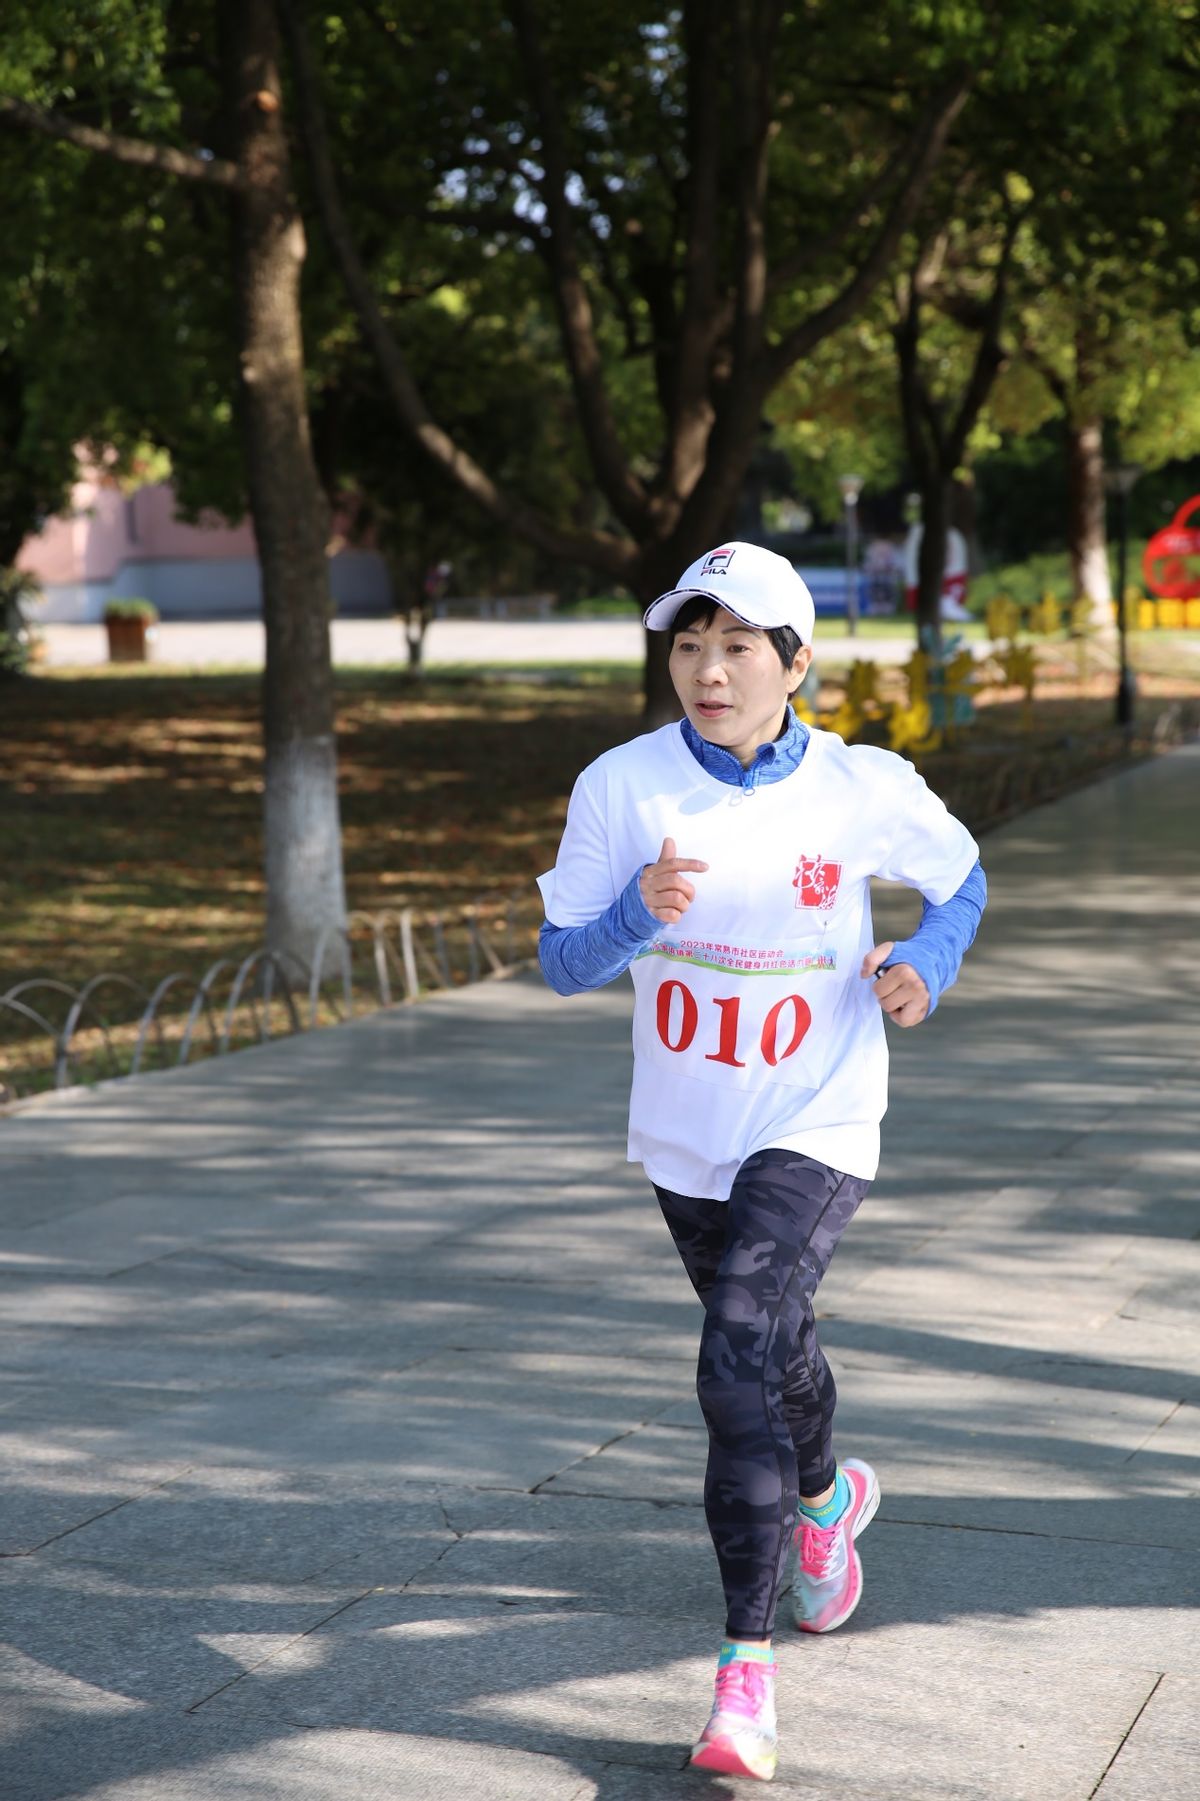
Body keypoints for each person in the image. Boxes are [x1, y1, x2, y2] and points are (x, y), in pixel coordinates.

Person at [536, 541, 986, 1783]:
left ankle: (745, 1676)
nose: (708, 669)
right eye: (688, 644)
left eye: (737, 645)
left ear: (795, 660)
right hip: (687, 1130)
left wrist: (925, 965)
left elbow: (962, 879)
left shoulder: (860, 783)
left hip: (819, 1115)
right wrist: (637, 911)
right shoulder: (622, 787)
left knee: (735, 1347)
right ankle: (831, 1496)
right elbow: (561, 958)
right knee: (776, 1354)